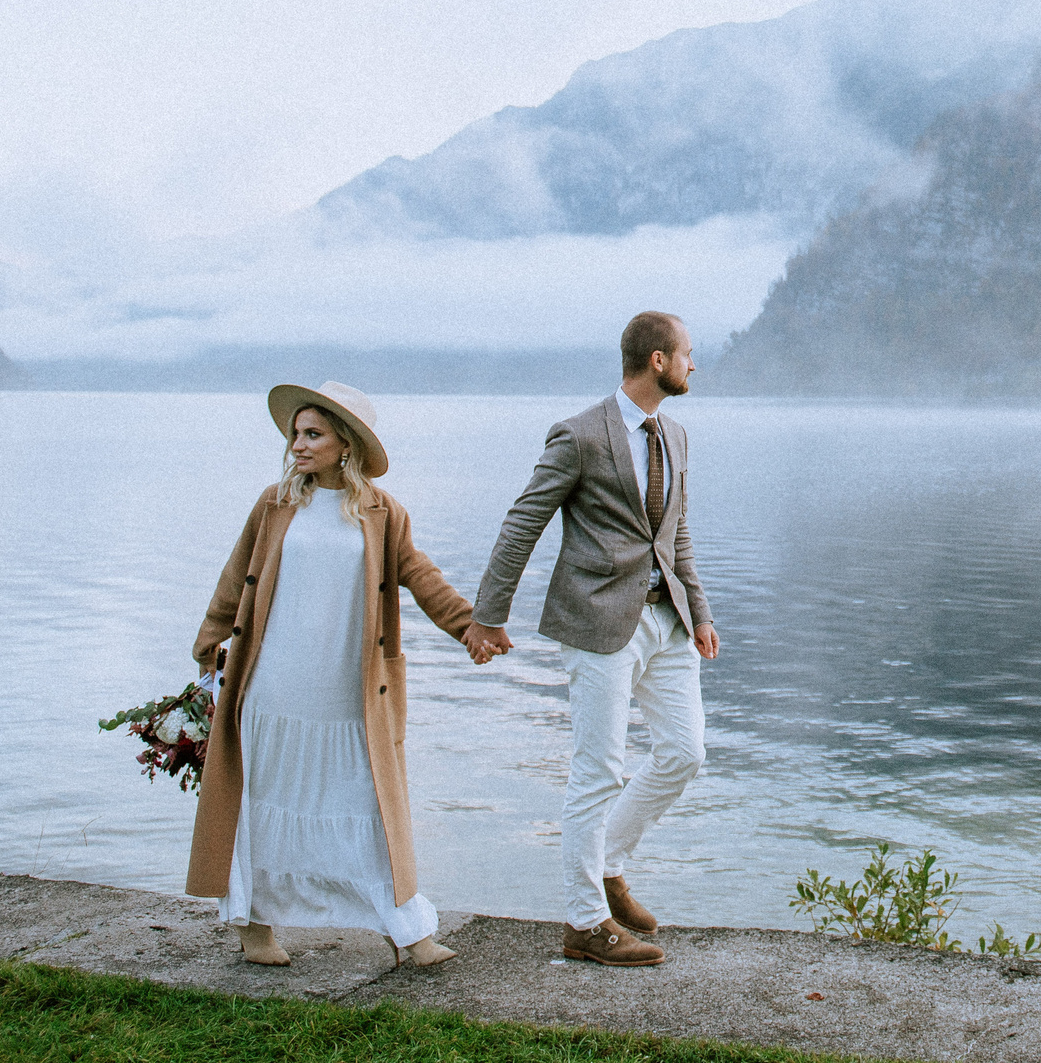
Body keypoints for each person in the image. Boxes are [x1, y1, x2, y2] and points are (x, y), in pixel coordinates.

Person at [185, 380, 482, 968]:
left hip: (347, 693)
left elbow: (418, 573)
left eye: (312, 434)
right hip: (272, 688)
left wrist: (470, 626)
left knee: (368, 808)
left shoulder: (380, 512)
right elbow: (235, 578)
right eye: (296, 433)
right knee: (263, 802)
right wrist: (208, 645)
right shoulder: (274, 505)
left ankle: (411, 935)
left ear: (345, 444)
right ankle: (255, 930)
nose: (298, 444)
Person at [466, 311, 718, 968]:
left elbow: (676, 536)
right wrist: (489, 614)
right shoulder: (579, 435)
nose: (696, 363)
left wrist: (701, 610)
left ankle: (608, 862)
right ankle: (584, 921)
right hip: (598, 622)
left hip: (668, 623)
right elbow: (524, 521)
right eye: (689, 353)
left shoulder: (679, 436)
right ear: (658, 360)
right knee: (597, 769)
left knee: (685, 752)